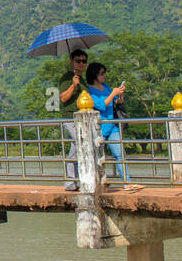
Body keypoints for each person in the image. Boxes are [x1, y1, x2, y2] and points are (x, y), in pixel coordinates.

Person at [86, 62, 138, 188]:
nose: (104, 76)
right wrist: (112, 94)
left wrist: (120, 94)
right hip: (100, 127)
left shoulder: (106, 87)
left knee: (119, 154)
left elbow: (116, 102)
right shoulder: (89, 90)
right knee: (98, 157)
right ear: (95, 74)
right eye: (102, 73)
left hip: (112, 125)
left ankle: (127, 182)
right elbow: (100, 105)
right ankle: (100, 182)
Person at [56, 48, 90, 190]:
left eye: (83, 61)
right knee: (80, 144)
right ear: (72, 62)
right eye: (78, 61)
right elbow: (63, 98)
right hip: (70, 117)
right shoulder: (67, 78)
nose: (81, 64)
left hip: (83, 118)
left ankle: (74, 181)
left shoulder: (82, 79)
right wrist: (73, 85)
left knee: (77, 147)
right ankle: (71, 181)